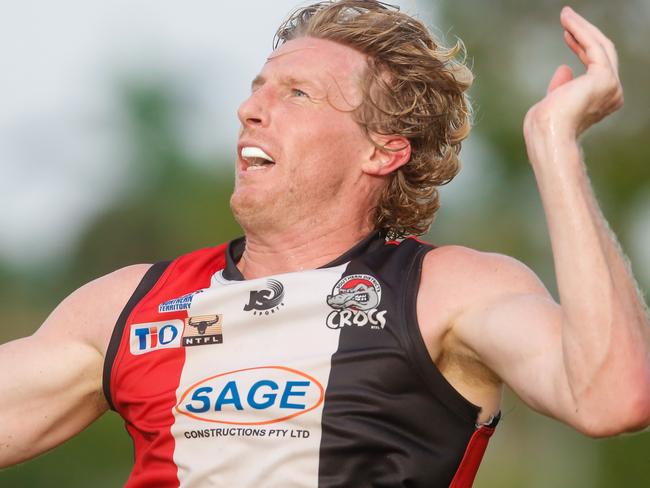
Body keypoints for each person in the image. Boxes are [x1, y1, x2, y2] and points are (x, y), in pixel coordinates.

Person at [1, 1, 649, 486]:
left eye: (297, 94)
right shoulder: (130, 304)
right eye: (258, 87)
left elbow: (612, 395)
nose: (250, 110)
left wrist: (555, 144)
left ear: (382, 150)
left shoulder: (444, 292)